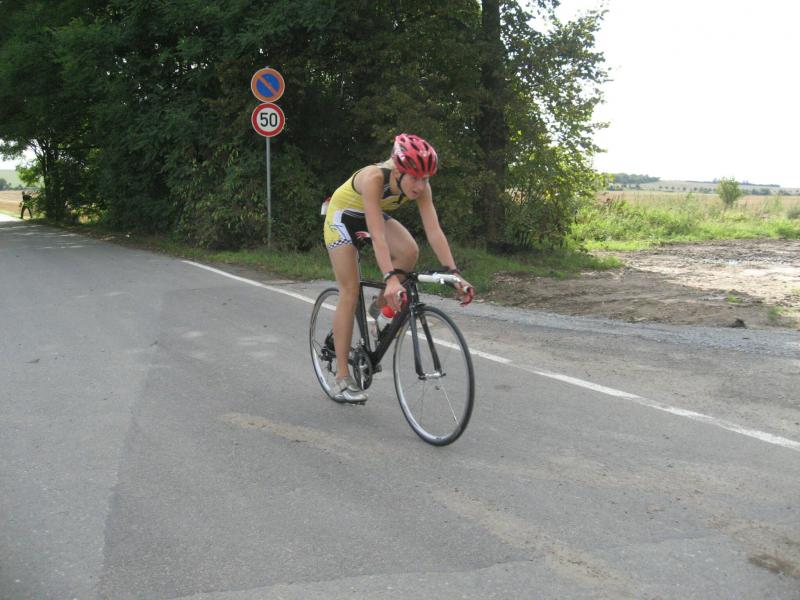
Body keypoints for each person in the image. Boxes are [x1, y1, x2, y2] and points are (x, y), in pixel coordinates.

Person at [322, 133, 474, 402]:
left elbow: (433, 230)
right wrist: (390, 278)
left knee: (409, 251)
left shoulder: (422, 187)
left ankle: (379, 309)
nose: (420, 185)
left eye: (425, 178)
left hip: (368, 216)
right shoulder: (374, 178)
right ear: (397, 171)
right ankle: (342, 377)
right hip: (341, 218)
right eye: (414, 178)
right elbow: (378, 235)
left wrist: (454, 273)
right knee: (350, 291)